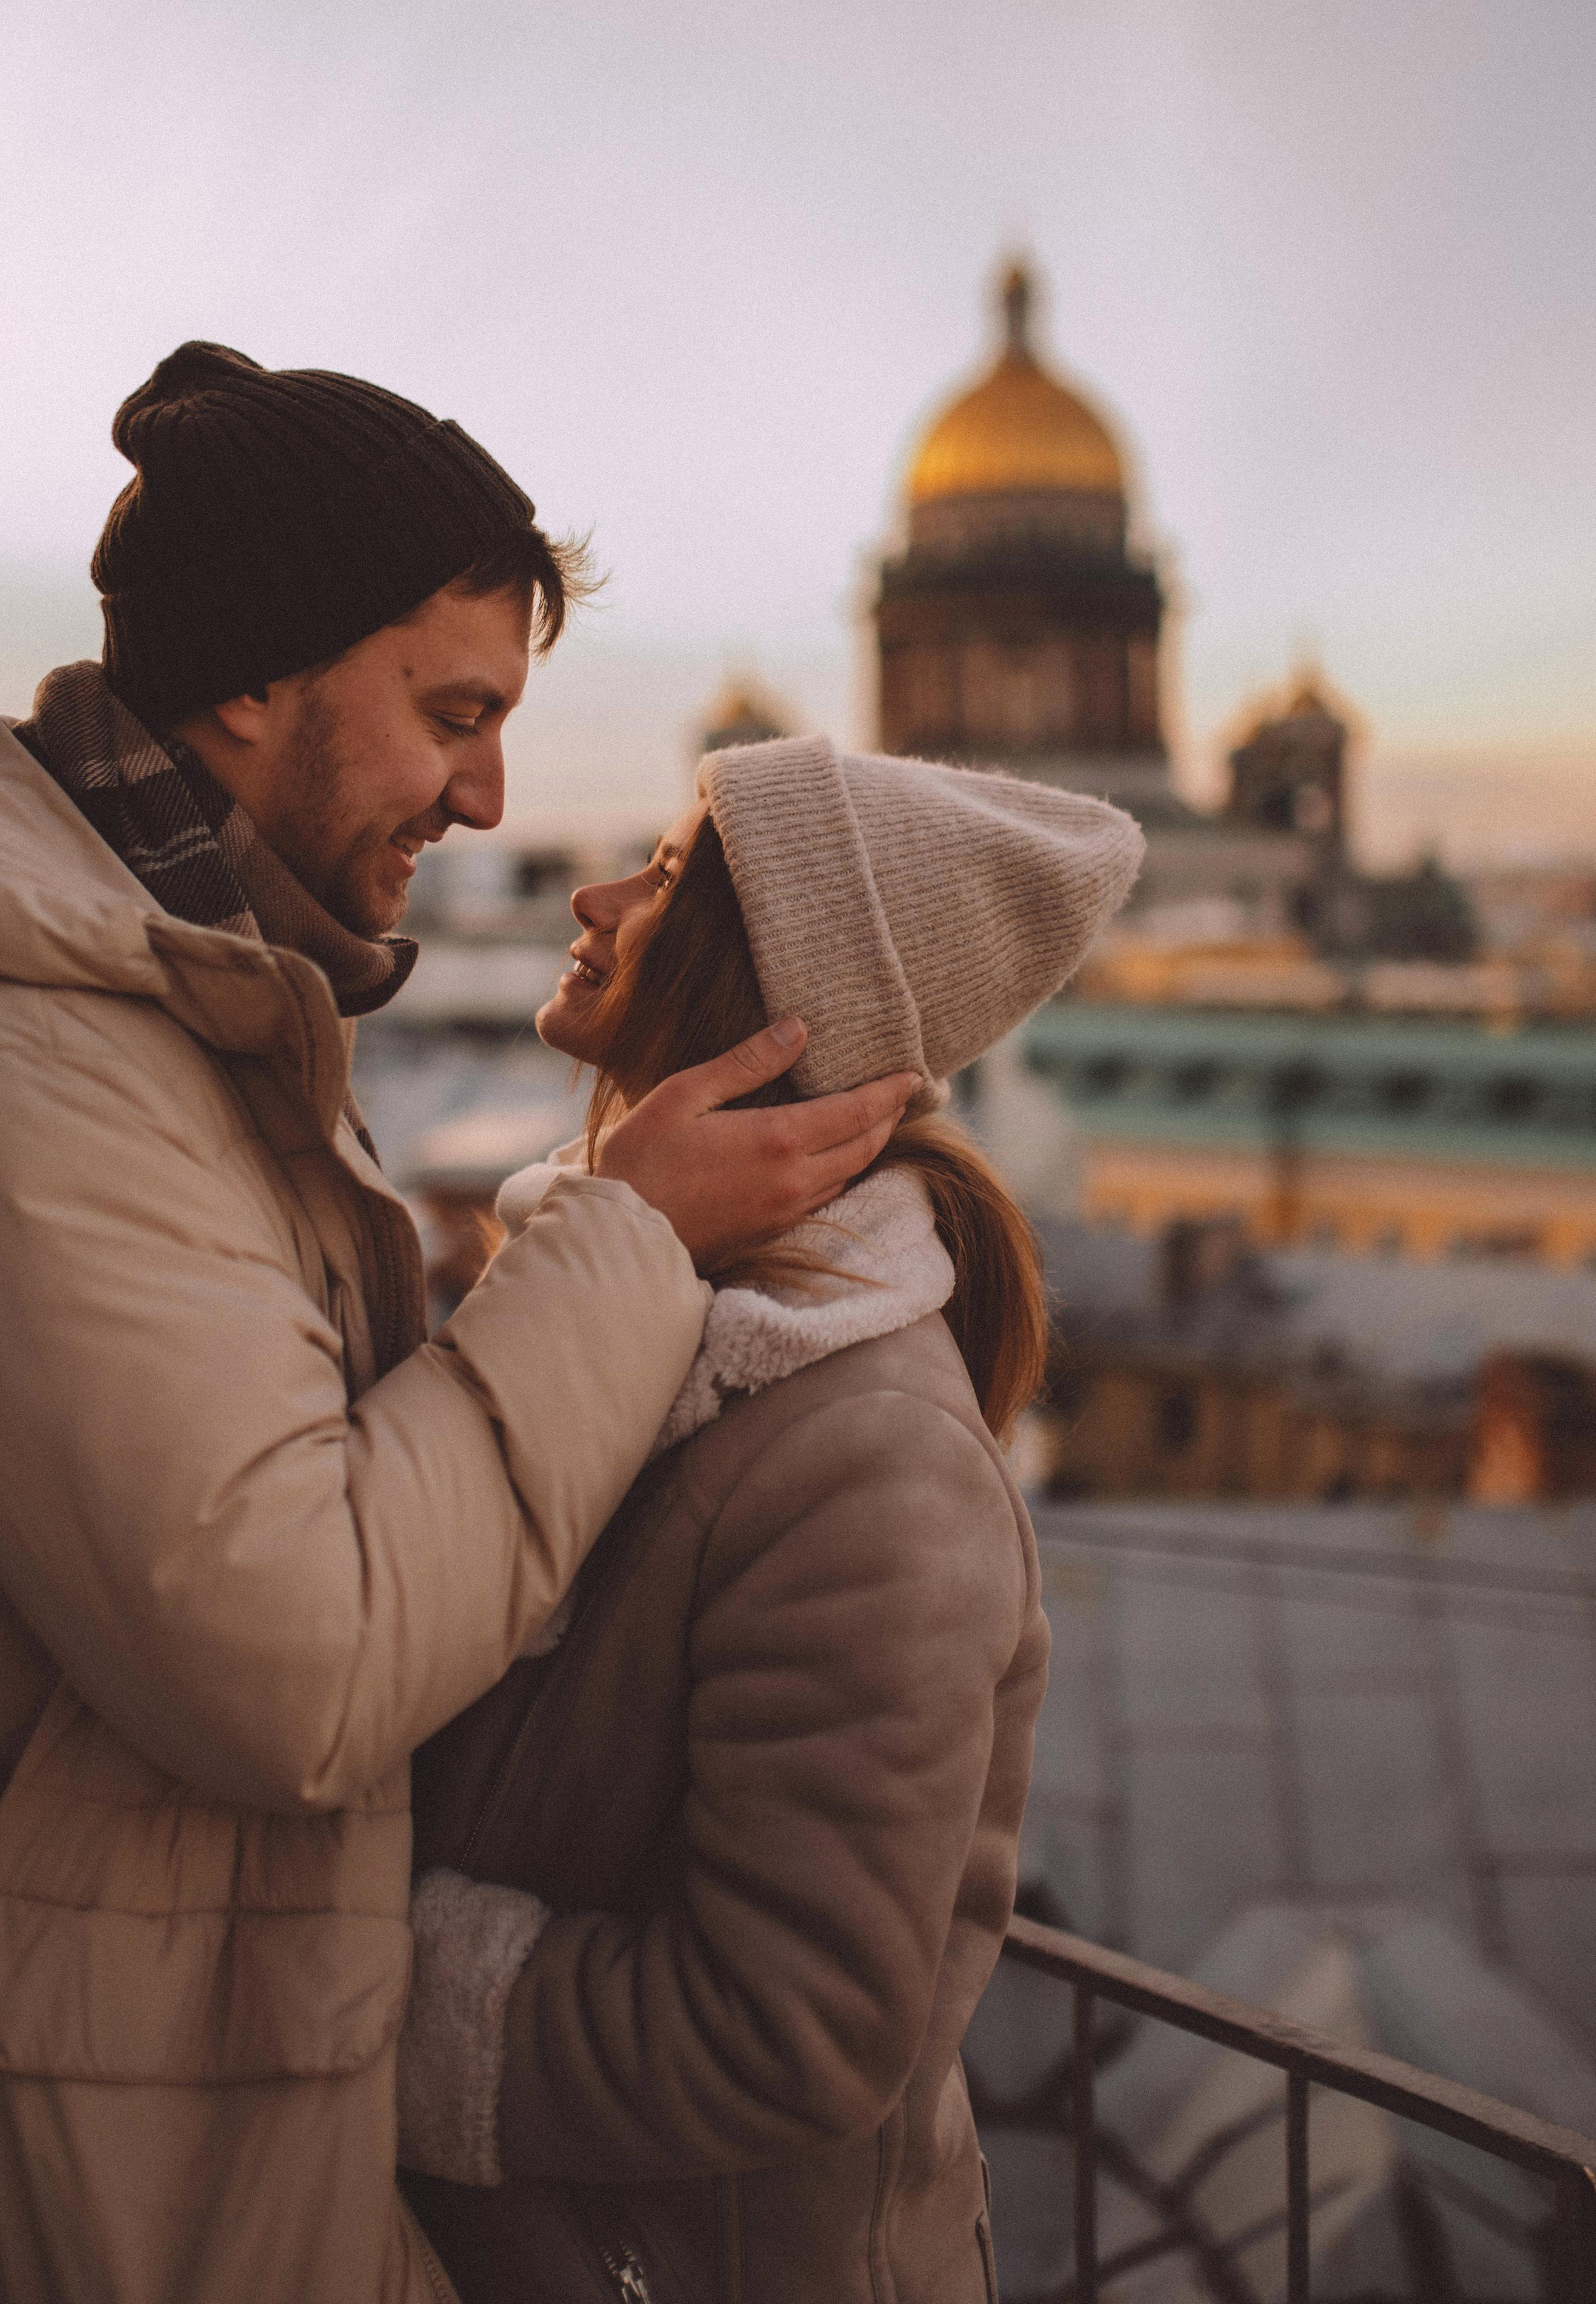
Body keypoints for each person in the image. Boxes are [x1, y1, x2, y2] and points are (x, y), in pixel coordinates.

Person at [0, 344, 917, 2304]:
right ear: (256, 678)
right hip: (68, 2168)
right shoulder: (22, 1056)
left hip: (185, 2091)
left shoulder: (187, 992)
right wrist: (625, 1238)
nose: (498, 794)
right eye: (453, 712)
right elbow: (303, 1651)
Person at [394, 734, 1143, 2302]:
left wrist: (351, 1982)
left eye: (665, 878)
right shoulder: (638, 1301)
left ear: (775, 984)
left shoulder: (863, 1461)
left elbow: (783, 2029)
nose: (592, 897)